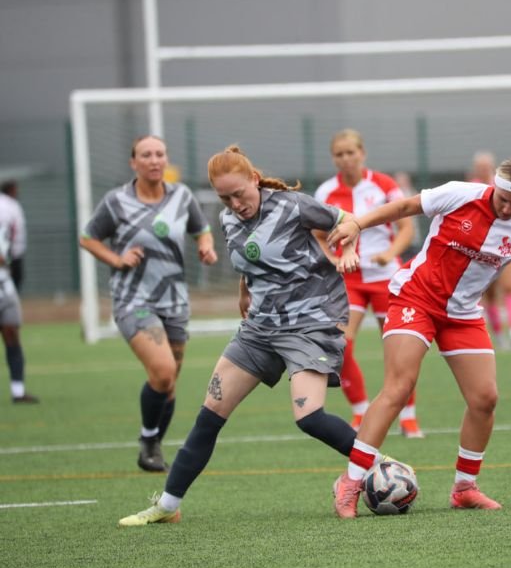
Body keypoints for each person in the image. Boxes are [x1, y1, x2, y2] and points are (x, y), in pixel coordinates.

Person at [118, 145, 364, 526]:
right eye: (224, 197)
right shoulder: (228, 219)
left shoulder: (292, 205)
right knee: (209, 416)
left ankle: (381, 466)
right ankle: (167, 506)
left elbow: (345, 220)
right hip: (260, 328)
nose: (235, 203)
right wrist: (244, 291)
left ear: (254, 179)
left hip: (311, 322)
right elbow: (248, 261)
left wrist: (347, 246)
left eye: (239, 193)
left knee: (309, 417)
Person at [327, 157, 511, 518]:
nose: (506, 207)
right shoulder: (460, 194)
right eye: (502, 198)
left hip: (463, 313)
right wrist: (358, 224)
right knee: (399, 387)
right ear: (494, 186)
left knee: (485, 398)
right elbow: (406, 206)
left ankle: (465, 488)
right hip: (416, 298)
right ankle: (350, 483)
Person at [80, 135, 218, 472]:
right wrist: (116, 259)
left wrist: (206, 247)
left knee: (168, 384)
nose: (154, 160)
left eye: (159, 154)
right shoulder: (117, 201)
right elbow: (88, 237)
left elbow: (202, 229)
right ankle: (148, 439)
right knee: (163, 370)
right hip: (134, 300)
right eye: (146, 155)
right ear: (134, 163)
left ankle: (153, 444)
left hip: (174, 300)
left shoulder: (182, 196)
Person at [314, 129, 424, 438]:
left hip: (386, 278)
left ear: (362, 153)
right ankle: (360, 410)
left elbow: (406, 227)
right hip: (348, 280)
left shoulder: (383, 185)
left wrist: (389, 253)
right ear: (333, 158)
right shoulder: (325, 192)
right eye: (339, 154)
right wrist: (331, 259)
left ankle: (409, 417)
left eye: (351, 152)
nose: (346, 159)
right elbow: (316, 235)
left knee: (401, 348)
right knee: (340, 344)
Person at [470, 152, 511, 349]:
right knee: (490, 294)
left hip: (506, 245)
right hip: (483, 249)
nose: (483, 169)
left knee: (510, 286)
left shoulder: (505, 186)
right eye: (480, 166)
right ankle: (498, 334)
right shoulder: (473, 187)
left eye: (487, 166)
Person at [0, 193, 36, 403]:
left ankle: (18, 391)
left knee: (12, 333)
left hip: (5, 283)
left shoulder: (9, 209)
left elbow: (16, 248)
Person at [0, 181, 26, 291]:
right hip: (8, 256)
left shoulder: (10, 204)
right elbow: (6, 230)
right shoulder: (6, 205)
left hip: (12, 255)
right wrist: (6, 258)